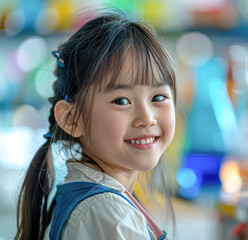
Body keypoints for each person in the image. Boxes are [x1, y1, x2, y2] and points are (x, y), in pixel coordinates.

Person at [15, 9, 177, 240]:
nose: (147, 118)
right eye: (122, 101)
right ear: (72, 119)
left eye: (158, 97)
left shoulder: (100, 201)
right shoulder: (107, 213)